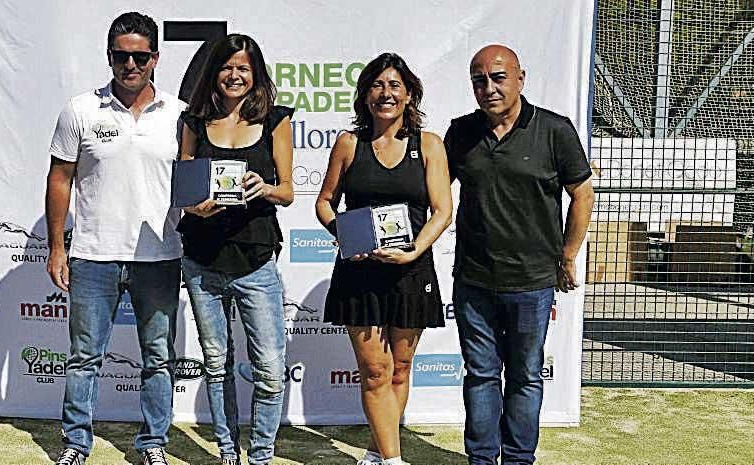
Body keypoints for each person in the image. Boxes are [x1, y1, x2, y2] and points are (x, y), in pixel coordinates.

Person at [44, 12, 185, 465]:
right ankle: (75, 443)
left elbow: (193, 184)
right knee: (85, 357)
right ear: (109, 57)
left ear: (155, 58)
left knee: (158, 360)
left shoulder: (180, 115)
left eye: (139, 56)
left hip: (160, 256)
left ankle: (154, 444)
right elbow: (60, 178)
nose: (130, 64)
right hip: (92, 255)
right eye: (121, 56)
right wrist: (56, 246)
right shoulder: (80, 109)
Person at [444, 44, 594, 465]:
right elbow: (434, 194)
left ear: (520, 79)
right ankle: (481, 459)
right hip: (473, 280)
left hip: (533, 282)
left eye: (497, 77)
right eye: (479, 80)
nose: (488, 88)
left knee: (526, 378)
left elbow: (582, 194)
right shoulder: (460, 132)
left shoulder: (554, 130)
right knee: (480, 376)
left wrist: (567, 256)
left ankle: (517, 460)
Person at [315, 52, 453, 465]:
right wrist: (343, 233)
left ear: (409, 95)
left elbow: (442, 210)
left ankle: (377, 453)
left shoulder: (428, 145)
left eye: (395, 85)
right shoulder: (348, 143)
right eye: (377, 85)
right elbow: (325, 202)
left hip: (411, 270)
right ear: (365, 95)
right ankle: (393, 461)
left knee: (399, 369)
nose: (386, 93)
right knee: (375, 369)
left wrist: (414, 248)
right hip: (359, 273)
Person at [177, 33, 294, 465]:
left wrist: (264, 188)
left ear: (256, 74)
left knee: (268, 369)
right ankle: (228, 451)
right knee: (215, 363)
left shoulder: (276, 120)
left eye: (243, 68)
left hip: (256, 258)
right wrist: (196, 207)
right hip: (203, 260)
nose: (235, 75)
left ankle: (260, 455)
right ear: (214, 72)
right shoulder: (193, 122)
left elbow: (287, 191)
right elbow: (184, 188)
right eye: (227, 67)